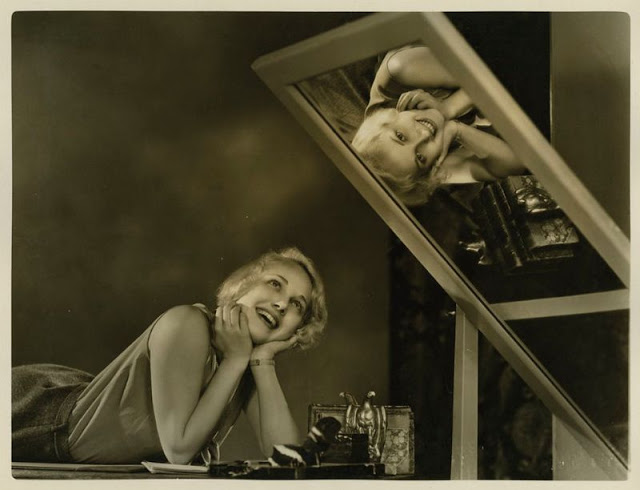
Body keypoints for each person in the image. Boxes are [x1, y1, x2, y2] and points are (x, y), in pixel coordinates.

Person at [12, 247, 327, 465]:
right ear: (242, 285)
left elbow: (288, 459)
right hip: (43, 419)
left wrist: (263, 360)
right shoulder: (188, 323)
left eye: (297, 305)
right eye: (275, 284)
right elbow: (179, 449)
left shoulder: (245, 360)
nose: (282, 304)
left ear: (297, 329)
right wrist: (234, 361)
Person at [352, 45, 526, 206]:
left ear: (384, 121)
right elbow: (514, 165)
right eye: (420, 157)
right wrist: (457, 130)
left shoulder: (401, 69)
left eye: (400, 136)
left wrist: (449, 108)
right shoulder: (422, 166)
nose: (424, 135)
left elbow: (495, 65)